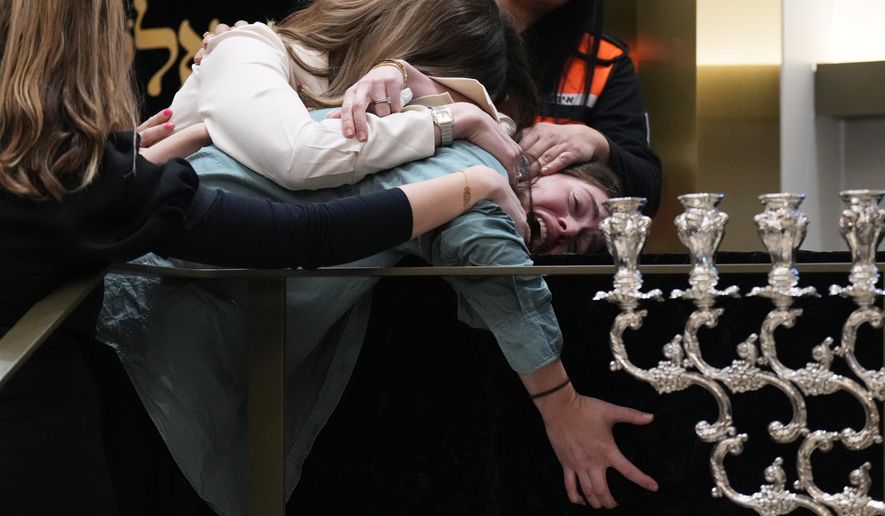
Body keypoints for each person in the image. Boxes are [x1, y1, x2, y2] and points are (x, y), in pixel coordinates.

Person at [0, 0, 532, 513]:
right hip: (53, 402)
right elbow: (300, 223)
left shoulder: (89, 171)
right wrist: (465, 162)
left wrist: (134, 160)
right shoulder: (235, 65)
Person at [99, 106, 658, 515]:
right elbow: (481, 241)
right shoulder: (474, 161)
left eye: (581, 244)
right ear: (541, 167)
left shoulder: (458, 143)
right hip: (147, 312)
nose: (566, 228)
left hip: (163, 301)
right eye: (578, 205)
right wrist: (562, 406)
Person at [337, 0, 663, 216]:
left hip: (526, 251)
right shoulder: (425, 17)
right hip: (395, 213)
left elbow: (647, 192)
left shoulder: (601, 61)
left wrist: (596, 143)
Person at [169, 0, 534, 193]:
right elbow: (299, 157)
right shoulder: (245, 48)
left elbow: (498, 131)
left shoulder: (396, 88)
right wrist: (453, 120)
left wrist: (413, 79)